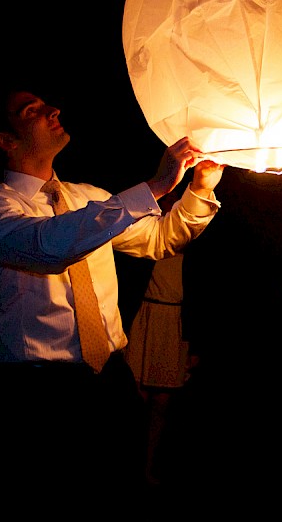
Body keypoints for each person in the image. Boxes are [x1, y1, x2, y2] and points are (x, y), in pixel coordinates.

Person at [0, 87, 224, 470]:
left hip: (111, 377)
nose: (54, 109)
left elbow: (160, 239)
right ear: (6, 140)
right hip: (37, 391)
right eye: (32, 110)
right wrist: (153, 188)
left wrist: (201, 187)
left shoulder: (87, 197)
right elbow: (47, 247)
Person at [122, 189, 196, 489]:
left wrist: (194, 342)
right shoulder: (146, 237)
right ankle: (129, 465)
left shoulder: (193, 243)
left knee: (162, 402)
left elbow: (201, 294)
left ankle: (149, 466)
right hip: (146, 316)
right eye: (166, 203)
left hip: (173, 322)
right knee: (133, 397)